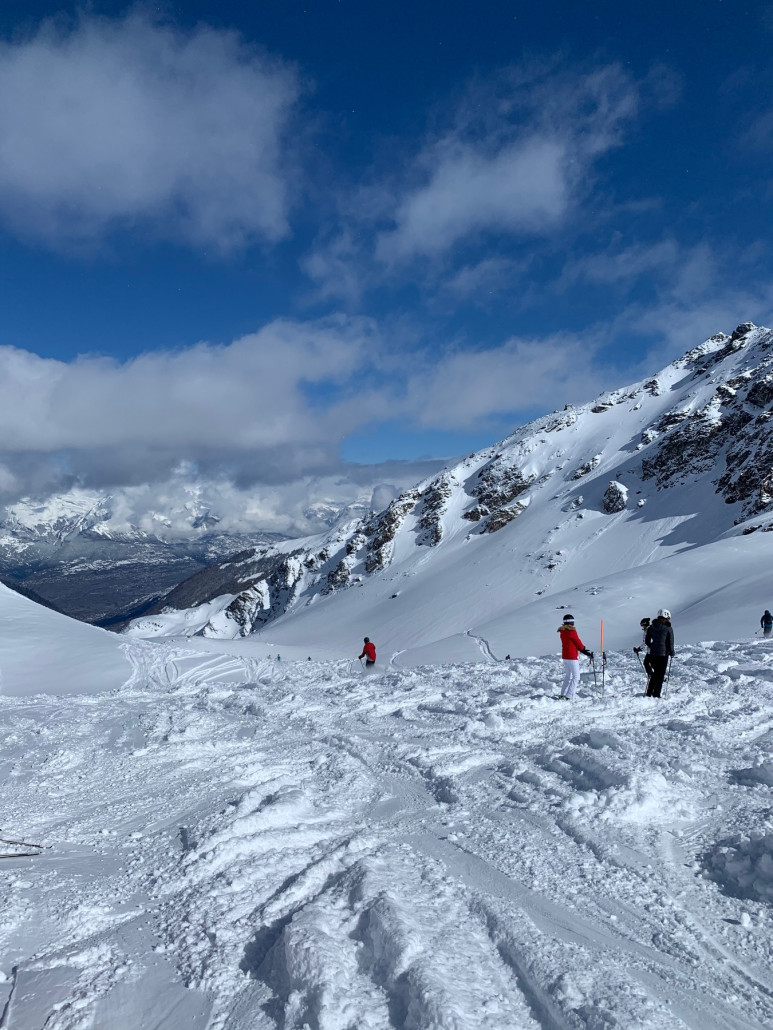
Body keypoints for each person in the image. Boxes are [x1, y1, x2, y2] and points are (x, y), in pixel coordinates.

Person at [557, 614, 593, 700]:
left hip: (565, 656)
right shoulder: (572, 632)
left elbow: (572, 642)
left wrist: (582, 649)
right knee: (576, 676)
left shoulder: (562, 632)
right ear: (572, 622)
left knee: (568, 676)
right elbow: (578, 642)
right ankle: (569, 696)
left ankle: (562, 694)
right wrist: (583, 649)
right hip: (572, 656)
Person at [645, 609, 674, 697]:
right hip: (663, 654)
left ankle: (649, 693)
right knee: (660, 675)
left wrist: (653, 647)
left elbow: (647, 641)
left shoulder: (651, 627)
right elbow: (670, 642)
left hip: (653, 654)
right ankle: (656, 694)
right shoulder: (668, 627)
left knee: (654, 674)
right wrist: (672, 653)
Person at [633, 617, 655, 685]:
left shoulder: (647, 631)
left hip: (652, 651)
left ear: (645, 624)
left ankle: (652, 676)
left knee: (646, 663)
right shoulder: (652, 629)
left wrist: (638, 649)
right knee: (653, 664)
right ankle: (658, 676)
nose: (642, 626)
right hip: (655, 650)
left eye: (642, 625)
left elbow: (645, 642)